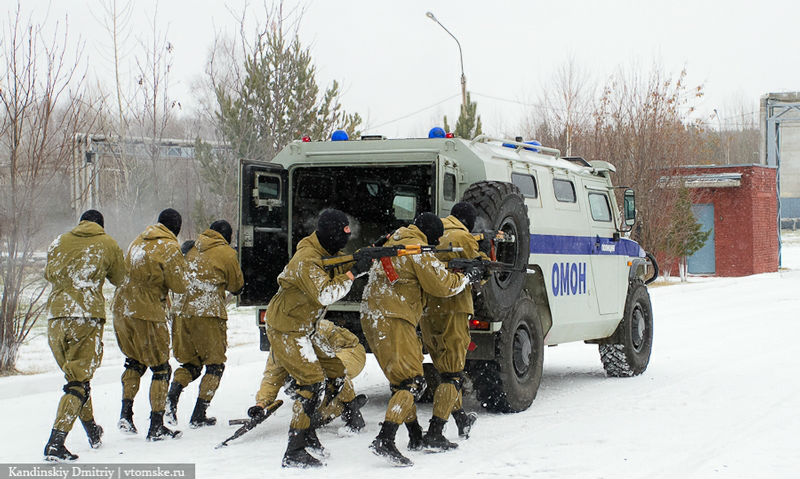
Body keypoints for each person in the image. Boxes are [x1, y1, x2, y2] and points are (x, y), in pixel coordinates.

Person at [360, 212, 483, 467]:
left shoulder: (392, 240)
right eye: (435, 239)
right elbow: (443, 285)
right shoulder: (417, 250)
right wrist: (468, 277)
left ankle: (416, 434)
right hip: (396, 315)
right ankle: (388, 437)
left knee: (401, 380)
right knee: (416, 382)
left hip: (373, 315)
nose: (437, 243)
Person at [265, 208, 371, 468]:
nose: (344, 241)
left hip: (305, 326)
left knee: (335, 371)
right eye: (341, 235)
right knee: (311, 384)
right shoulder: (307, 258)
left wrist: (364, 257)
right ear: (329, 234)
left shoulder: (325, 253)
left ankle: (309, 434)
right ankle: (295, 449)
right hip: (287, 327)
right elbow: (325, 293)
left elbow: (338, 266)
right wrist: (353, 272)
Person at [42, 210, 126, 462]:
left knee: (76, 380)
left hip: (55, 316)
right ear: (101, 224)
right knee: (77, 382)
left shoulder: (58, 241)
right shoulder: (107, 242)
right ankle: (55, 442)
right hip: (85, 316)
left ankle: (92, 431)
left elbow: (49, 274)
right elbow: (119, 278)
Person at [112, 208, 187, 441]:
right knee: (161, 367)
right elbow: (179, 286)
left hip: (122, 308)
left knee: (134, 362)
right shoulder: (170, 247)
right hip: (147, 312)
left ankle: (126, 414)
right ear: (176, 228)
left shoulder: (138, 240)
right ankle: (156, 425)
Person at [419, 202, 488, 448]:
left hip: (428, 309)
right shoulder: (463, 236)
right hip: (455, 307)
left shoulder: (429, 233)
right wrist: (484, 255)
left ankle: (460, 418)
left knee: (443, 368)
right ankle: (435, 432)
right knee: (453, 373)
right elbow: (481, 272)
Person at [165, 220, 244, 428]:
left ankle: (171, 398)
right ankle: (199, 414)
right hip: (208, 313)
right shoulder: (227, 253)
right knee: (215, 365)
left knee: (189, 364)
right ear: (227, 236)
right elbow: (237, 286)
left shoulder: (190, 247)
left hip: (181, 312)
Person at [249, 318, 368, 434]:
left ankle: (352, 411)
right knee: (299, 384)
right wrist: (260, 405)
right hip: (326, 358)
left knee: (327, 375)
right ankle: (326, 408)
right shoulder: (279, 347)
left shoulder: (311, 333)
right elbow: (272, 378)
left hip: (349, 351)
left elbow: (334, 368)